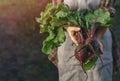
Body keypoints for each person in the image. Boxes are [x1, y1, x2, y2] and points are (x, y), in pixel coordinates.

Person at [48, 0, 118, 81]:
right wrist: (67, 27)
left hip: (100, 36)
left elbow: (108, 11)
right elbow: (57, 9)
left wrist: (96, 38)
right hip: (68, 42)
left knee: (99, 76)